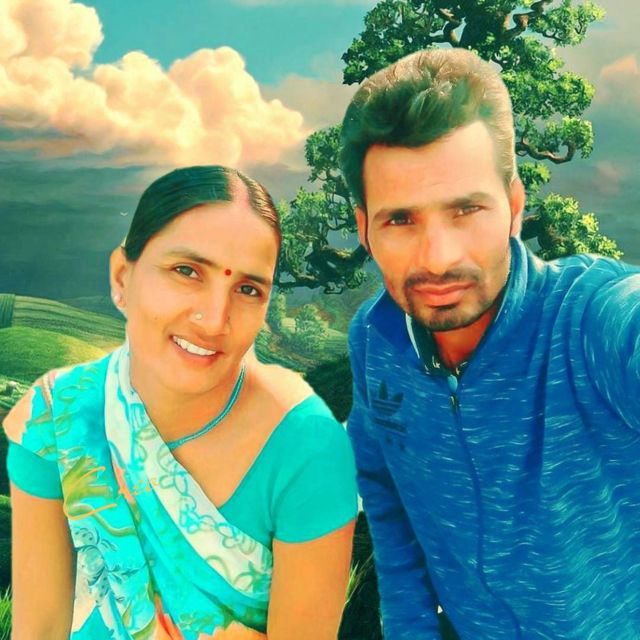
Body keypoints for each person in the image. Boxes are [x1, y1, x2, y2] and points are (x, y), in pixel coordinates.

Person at [340, 47, 640, 639]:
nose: (438, 257)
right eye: (400, 220)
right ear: (363, 228)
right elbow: (385, 491)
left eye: (466, 209)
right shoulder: (375, 343)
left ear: (514, 206)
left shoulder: (588, 323)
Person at [3, 165, 358, 640]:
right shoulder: (60, 413)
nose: (215, 319)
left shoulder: (307, 449)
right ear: (122, 277)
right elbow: (40, 629)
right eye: (187, 271)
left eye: (248, 289)